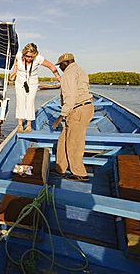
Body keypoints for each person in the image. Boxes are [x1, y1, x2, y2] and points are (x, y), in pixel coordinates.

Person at [51, 52, 94, 182]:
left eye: (61, 65)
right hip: (82, 108)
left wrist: (61, 116)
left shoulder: (69, 73)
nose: (60, 68)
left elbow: (70, 96)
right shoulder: (79, 70)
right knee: (63, 140)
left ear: (67, 62)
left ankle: (80, 173)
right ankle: (60, 168)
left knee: (74, 142)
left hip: (78, 109)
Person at [9, 43, 61, 133]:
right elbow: (16, 65)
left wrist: (58, 77)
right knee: (20, 102)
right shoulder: (18, 55)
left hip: (32, 83)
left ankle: (29, 125)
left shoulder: (38, 58)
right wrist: (13, 74)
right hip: (20, 82)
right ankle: (20, 125)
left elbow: (51, 66)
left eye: (31, 57)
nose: (29, 59)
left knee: (30, 102)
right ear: (24, 54)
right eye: (28, 56)